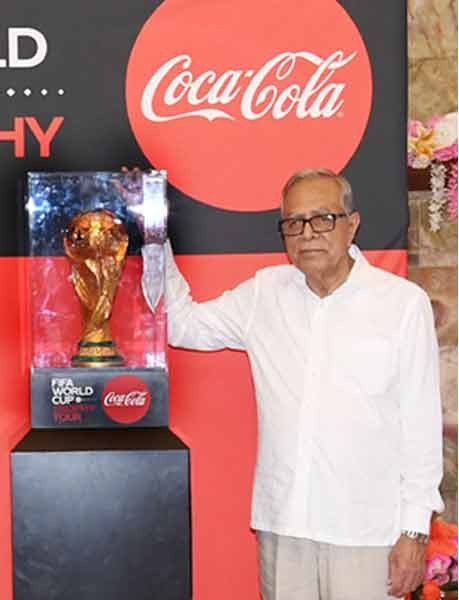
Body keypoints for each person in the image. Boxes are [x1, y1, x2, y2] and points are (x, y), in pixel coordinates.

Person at [164, 168, 444, 600]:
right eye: (294, 222)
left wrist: (415, 531)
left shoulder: (402, 304)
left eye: (323, 218)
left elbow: (422, 427)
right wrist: (152, 240)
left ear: (352, 224)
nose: (308, 233)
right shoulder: (264, 293)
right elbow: (182, 326)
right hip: (285, 527)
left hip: (368, 532)